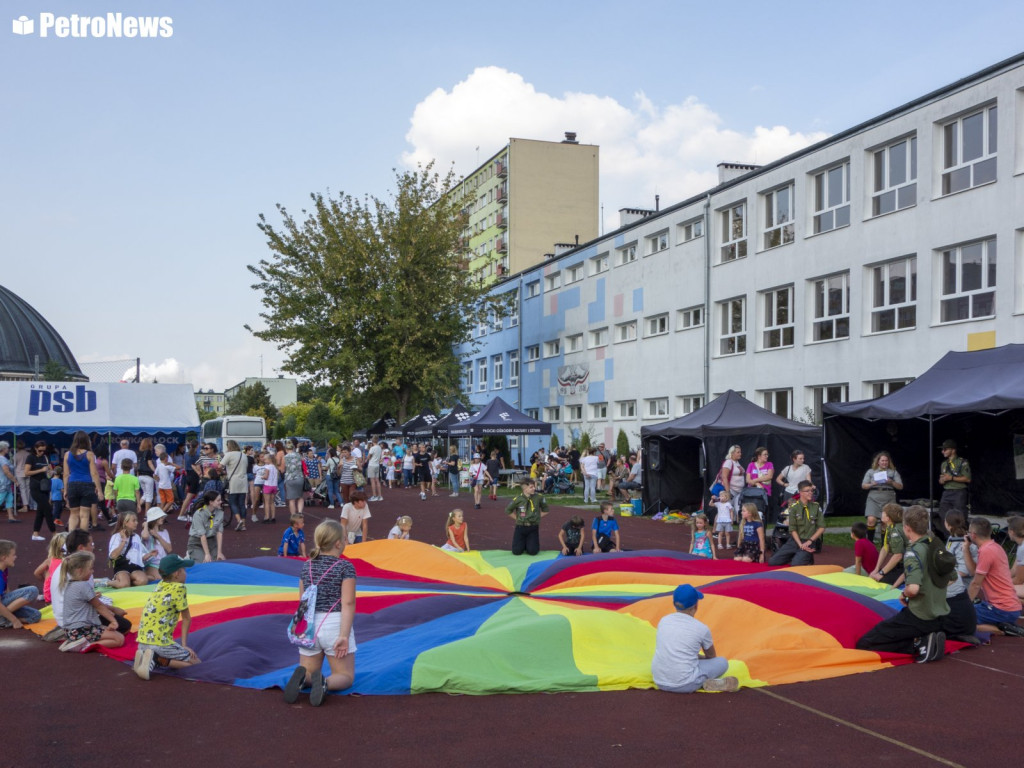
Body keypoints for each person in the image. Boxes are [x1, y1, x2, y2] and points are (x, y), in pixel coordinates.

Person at [855, 505, 949, 663]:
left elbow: (913, 588)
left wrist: (904, 594)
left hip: (920, 614)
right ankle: (921, 639)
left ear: (906, 528)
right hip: (939, 614)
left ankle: (917, 645)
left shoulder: (913, 552)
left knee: (865, 643)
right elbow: (951, 577)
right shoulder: (937, 546)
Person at [283, 520, 357, 706]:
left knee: (309, 671)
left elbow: (303, 600)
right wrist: (344, 635)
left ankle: (303, 678)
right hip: (334, 623)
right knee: (345, 676)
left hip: (308, 626)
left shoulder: (306, 566)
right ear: (338, 543)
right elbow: (348, 602)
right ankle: (325, 682)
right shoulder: (345, 567)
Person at [651, 584, 739, 693]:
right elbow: (711, 656)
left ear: (674, 604)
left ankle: (702, 680)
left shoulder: (663, 621)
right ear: (696, 606)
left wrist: (692, 656)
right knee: (722, 662)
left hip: (659, 681)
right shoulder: (701, 628)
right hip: (684, 684)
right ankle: (703, 682)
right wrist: (697, 657)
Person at [133, 553, 201, 680]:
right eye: (184, 570)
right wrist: (184, 645)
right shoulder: (179, 588)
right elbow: (186, 618)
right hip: (159, 643)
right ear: (177, 574)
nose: (186, 574)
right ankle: (157, 659)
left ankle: (149, 656)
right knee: (196, 664)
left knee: (182, 658)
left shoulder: (159, 585)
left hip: (142, 641)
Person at [960, 517, 1024, 637]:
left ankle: (1001, 629)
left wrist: (965, 605)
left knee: (960, 620)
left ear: (973, 535)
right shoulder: (994, 547)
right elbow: (974, 572)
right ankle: (1004, 624)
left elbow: (975, 583)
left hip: (1002, 608)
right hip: (1006, 607)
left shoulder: (987, 552)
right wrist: (966, 550)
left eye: (968, 532)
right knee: (969, 611)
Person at [57, 551, 126, 653]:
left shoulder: (69, 585)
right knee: (119, 639)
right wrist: (113, 621)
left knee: (110, 633)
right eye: (90, 569)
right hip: (82, 629)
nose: (92, 571)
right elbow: (99, 606)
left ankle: (76, 641)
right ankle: (86, 645)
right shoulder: (83, 586)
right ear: (80, 571)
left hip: (71, 631)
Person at [940, 511, 979, 643]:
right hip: (953, 580)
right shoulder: (952, 538)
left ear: (948, 524)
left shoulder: (963, 541)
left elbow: (964, 570)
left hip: (961, 585)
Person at [769, 481, 825, 566]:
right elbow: (792, 529)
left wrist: (810, 541)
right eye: (807, 491)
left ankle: (806, 558)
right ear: (800, 492)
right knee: (773, 562)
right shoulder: (794, 508)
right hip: (794, 541)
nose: (810, 493)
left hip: (808, 541)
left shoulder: (816, 507)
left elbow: (822, 527)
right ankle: (798, 555)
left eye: (811, 491)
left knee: (796, 565)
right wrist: (800, 544)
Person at [861, 451, 903, 544]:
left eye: (886, 461)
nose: (884, 462)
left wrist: (891, 482)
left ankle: (884, 545)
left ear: (889, 462)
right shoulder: (871, 471)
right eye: (882, 461)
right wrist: (872, 484)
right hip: (874, 496)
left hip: (888, 496)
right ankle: (870, 544)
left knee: (885, 522)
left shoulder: (893, 472)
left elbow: (900, 486)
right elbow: (863, 486)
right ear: (878, 462)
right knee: (871, 520)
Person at [0, 539, 40, 629]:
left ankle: (3, 620)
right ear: (3, 557)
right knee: (32, 590)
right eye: (13, 555)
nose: (15, 557)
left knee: (35, 615)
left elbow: (6, 591)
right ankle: (3, 618)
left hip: (3, 603)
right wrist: (14, 620)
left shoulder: (4, 569)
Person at [936, 439, 970, 542]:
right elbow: (942, 479)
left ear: (953, 450)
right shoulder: (944, 464)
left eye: (945, 449)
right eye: (942, 450)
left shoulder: (962, 462)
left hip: (959, 492)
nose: (943, 451)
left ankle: (961, 539)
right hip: (947, 492)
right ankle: (949, 539)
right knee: (943, 515)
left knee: (959, 516)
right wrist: (942, 480)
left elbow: (967, 479)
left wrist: (951, 478)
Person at [506, 478, 549, 556]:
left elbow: (546, 510)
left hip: (533, 527)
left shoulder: (539, 497)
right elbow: (508, 511)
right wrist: (517, 518)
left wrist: (537, 517)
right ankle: (524, 543)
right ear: (525, 489)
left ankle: (529, 544)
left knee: (533, 552)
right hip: (520, 527)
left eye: (534, 486)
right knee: (516, 552)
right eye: (531, 487)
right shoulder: (518, 499)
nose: (534, 488)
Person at [108, 511, 149, 588]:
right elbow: (113, 556)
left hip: (135, 567)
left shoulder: (136, 537)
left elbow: (139, 555)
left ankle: (127, 579)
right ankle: (108, 582)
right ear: (125, 523)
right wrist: (123, 541)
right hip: (122, 565)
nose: (136, 523)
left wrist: (149, 555)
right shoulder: (116, 536)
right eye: (133, 520)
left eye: (136, 520)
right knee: (124, 584)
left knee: (143, 581)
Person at [870, 503, 908, 586]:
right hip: (901, 564)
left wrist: (881, 573)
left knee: (882, 582)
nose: (881, 514)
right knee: (877, 576)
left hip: (907, 565)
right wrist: (877, 569)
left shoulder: (896, 531)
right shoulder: (890, 527)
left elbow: (898, 555)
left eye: (883, 512)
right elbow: (885, 547)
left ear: (888, 518)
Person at [26, 440, 55, 542]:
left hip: (44, 486)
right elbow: (26, 472)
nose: (42, 452)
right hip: (35, 486)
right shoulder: (31, 457)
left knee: (41, 511)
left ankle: (35, 533)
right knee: (47, 509)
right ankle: (54, 533)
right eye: (40, 450)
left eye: (44, 450)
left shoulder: (45, 457)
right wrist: (41, 470)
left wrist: (51, 472)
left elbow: (49, 470)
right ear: (35, 449)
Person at [187, 491, 226, 563]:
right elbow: (202, 535)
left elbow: (219, 533)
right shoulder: (199, 514)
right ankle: (191, 555)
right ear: (211, 502)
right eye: (218, 500)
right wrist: (207, 554)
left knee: (218, 562)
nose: (221, 502)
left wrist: (219, 552)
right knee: (203, 563)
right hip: (197, 542)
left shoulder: (220, 513)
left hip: (211, 541)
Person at [775, 450, 811, 525]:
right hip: (788, 492)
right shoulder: (787, 468)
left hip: (799, 493)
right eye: (800, 459)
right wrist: (784, 484)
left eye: (803, 458)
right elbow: (778, 479)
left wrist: (810, 486)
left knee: (800, 511)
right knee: (788, 511)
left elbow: (809, 480)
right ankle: (787, 527)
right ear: (794, 459)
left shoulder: (805, 467)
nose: (802, 460)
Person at [221, 439, 248, 532]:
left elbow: (220, 466)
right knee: (242, 503)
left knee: (232, 502)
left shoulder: (229, 455)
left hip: (233, 480)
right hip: (243, 480)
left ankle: (238, 520)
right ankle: (243, 524)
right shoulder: (243, 455)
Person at [742, 447, 774, 519]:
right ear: (759, 456)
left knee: (761, 511)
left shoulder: (769, 464)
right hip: (752, 492)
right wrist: (757, 484)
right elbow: (748, 480)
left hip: (764, 492)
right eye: (765, 454)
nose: (767, 456)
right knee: (750, 511)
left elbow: (769, 476)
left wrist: (755, 480)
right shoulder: (751, 465)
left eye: (767, 454)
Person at [282, 441, 305, 518]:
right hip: (299, 477)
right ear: (293, 448)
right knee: (300, 497)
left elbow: (282, 469)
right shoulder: (298, 455)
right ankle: (300, 512)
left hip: (289, 478)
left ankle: (293, 516)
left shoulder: (285, 457)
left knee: (291, 499)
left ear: (286, 449)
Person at [136, 438, 157, 515]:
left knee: (145, 494)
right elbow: (150, 463)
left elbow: (138, 465)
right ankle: (146, 513)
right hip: (148, 476)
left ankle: (136, 508)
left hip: (140, 476)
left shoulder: (139, 453)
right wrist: (155, 471)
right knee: (149, 496)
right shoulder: (148, 452)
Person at [0, 442, 18, 523]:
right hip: (3, 483)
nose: (8, 449)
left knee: (9, 499)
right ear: (3, 449)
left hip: (6, 483)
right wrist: (15, 480)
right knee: (1, 499)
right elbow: (6, 471)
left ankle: (11, 517)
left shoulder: (4, 458)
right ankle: (11, 517)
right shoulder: (2, 459)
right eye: (7, 448)